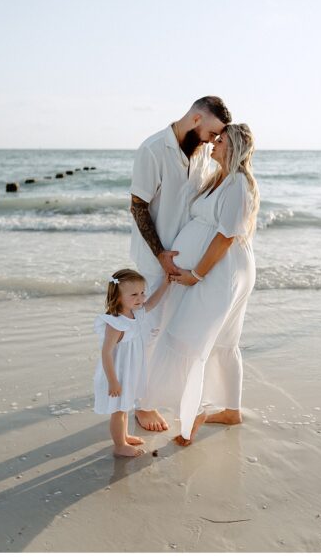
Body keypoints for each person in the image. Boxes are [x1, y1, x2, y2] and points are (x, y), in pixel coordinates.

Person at [144, 123, 259, 446]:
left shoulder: (236, 182)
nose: (213, 145)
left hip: (223, 271)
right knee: (222, 340)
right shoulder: (219, 178)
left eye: (220, 141)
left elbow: (224, 237)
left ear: (234, 147)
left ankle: (197, 411)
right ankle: (231, 411)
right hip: (222, 269)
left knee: (190, 336)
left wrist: (196, 274)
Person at [129, 96, 232, 432]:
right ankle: (141, 406)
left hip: (185, 266)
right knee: (149, 329)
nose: (212, 140)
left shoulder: (202, 152)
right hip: (153, 260)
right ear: (197, 118)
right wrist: (160, 253)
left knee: (173, 330)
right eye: (212, 132)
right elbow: (138, 207)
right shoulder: (153, 150)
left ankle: (161, 394)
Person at [94, 268, 170, 457]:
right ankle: (119, 446)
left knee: (125, 406)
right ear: (118, 297)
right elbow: (106, 353)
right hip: (117, 373)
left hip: (130, 371)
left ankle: (124, 436)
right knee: (119, 411)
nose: (141, 298)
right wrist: (113, 381)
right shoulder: (115, 322)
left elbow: (152, 303)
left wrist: (165, 284)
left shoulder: (135, 314)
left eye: (142, 292)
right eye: (134, 294)